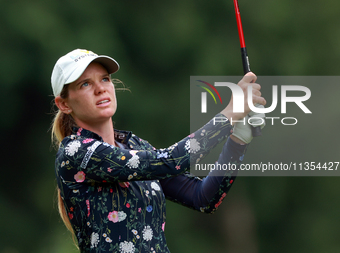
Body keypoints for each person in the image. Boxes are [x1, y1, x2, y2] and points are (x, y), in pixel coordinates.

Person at [51, 49, 266, 253]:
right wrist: (229, 114)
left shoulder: (134, 146)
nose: (100, 88)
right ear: (64, 104)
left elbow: (203, 198)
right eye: (85, 84)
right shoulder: (75, 151)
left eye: (105, 78)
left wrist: (238, 140)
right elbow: (172, 160)